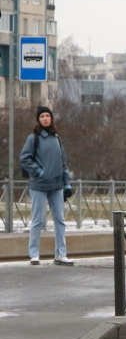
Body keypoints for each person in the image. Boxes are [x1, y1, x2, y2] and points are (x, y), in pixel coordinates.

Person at [20, 105, 74, 266]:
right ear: (38, 119)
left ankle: (61, 254)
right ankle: (34, 254)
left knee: (60, 220)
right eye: (42, 116)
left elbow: (63, 163)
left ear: (51, 119)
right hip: (38, 185)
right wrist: (39, 171)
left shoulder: (57, 139)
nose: (45, 118)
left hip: (56, 185)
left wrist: (67, 184)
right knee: (37, 220)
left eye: (47, 116)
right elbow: (24, 158)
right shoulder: (33, 138)